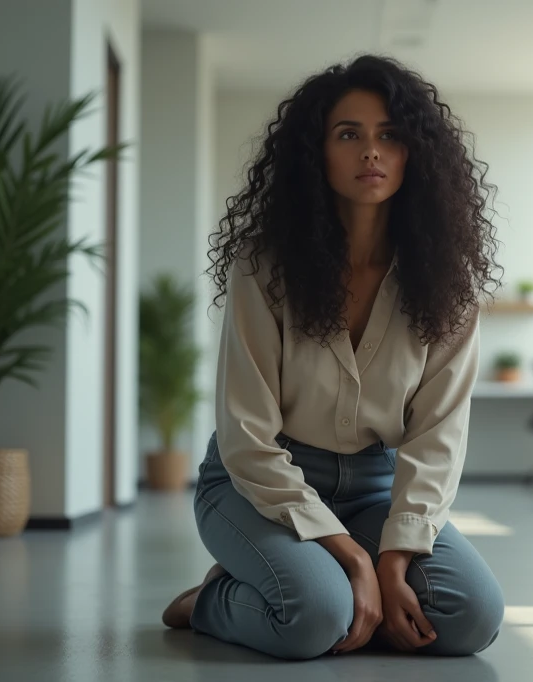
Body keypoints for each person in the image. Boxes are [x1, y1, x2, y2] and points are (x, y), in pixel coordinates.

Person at [161, 54, 505, 660]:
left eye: (389, 136)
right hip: (256, 483)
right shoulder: (264, 267)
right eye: (349, 135)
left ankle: (300, 586)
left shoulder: (448, 283)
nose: (371, 152)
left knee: (470, 617)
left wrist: (395, 557)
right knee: (316, 618)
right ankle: (212, 602)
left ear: (412, 154)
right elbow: (244, 435)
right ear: (316, 154)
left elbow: (437, 437)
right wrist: (348, 553)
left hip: (374, 487)